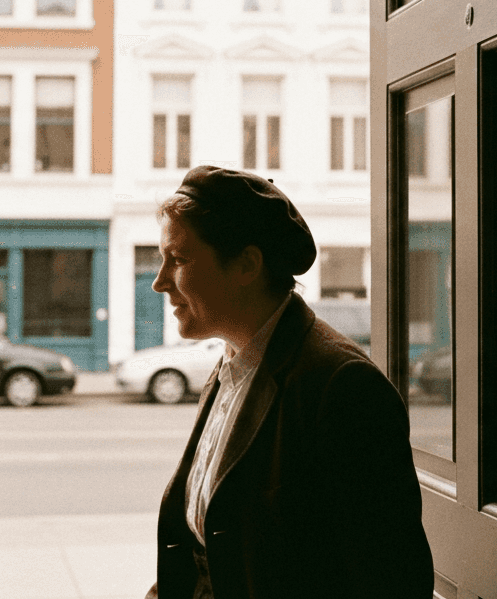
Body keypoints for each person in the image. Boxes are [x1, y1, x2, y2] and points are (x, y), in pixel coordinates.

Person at [146, 166, 433, 599]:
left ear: (246, 265)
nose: (159, 281)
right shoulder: (231, 368)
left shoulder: (344, 388)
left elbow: (391, 579)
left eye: (180, 259)